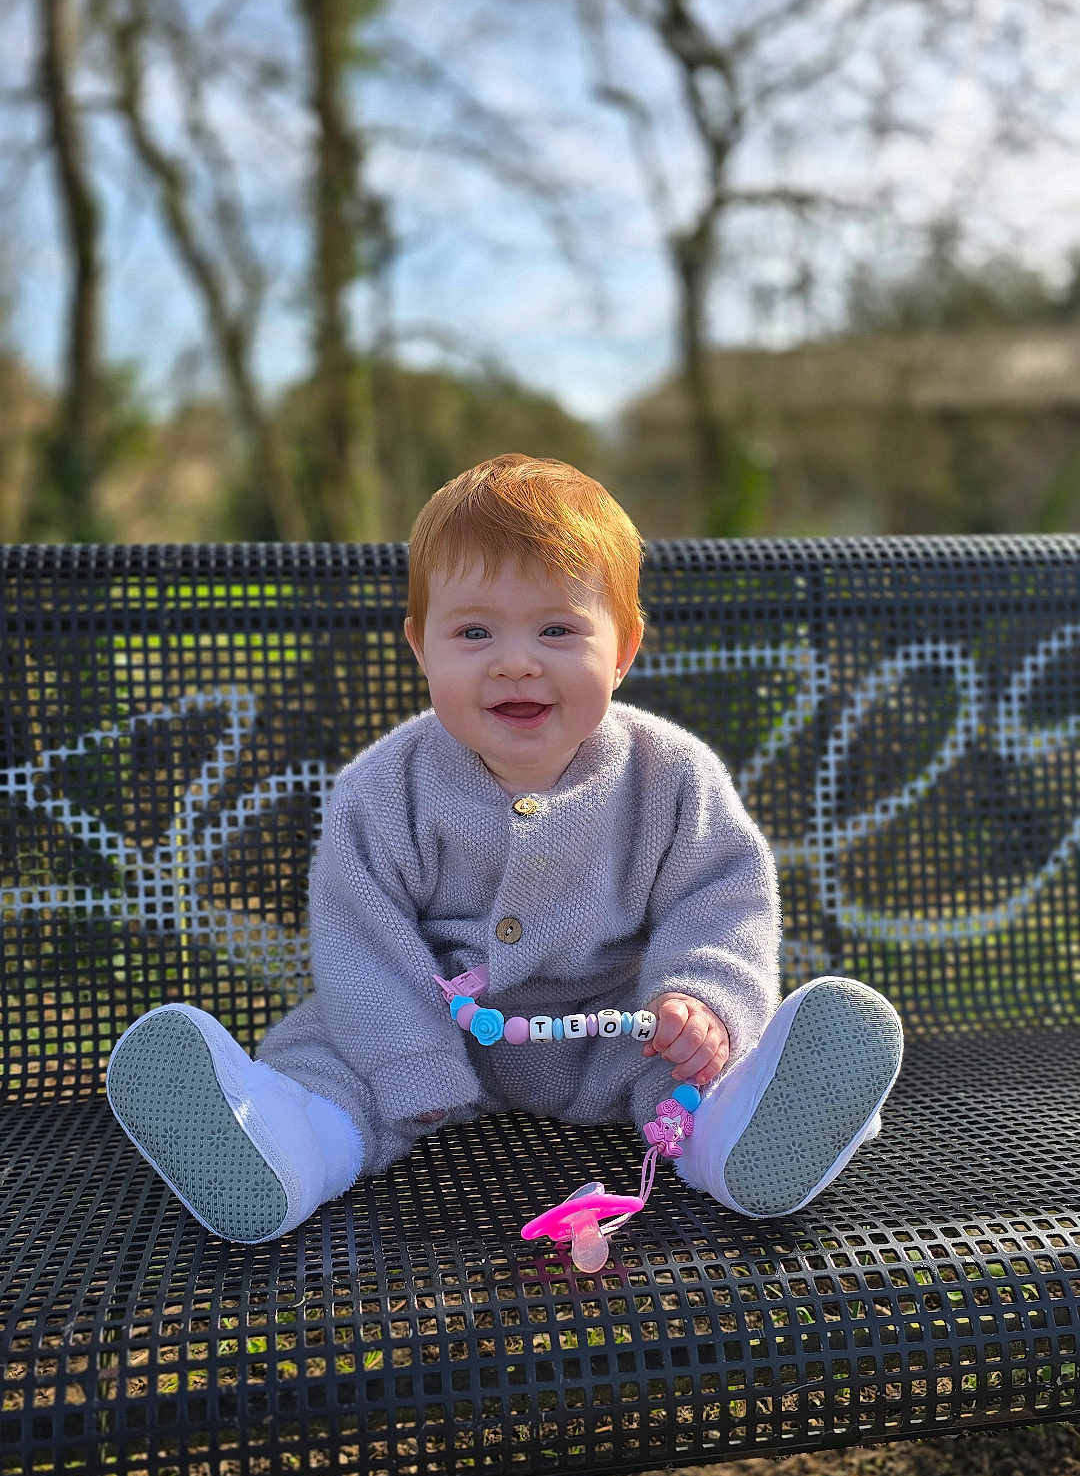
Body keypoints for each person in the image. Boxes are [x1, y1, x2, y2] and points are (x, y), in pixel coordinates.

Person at [106, 453, 902, 1246]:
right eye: (474, 632)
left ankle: (744, 1138)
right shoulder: (384, 790)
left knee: (695, 1071)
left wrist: (701, 998)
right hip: (429, 1029)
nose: (516, 661)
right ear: (422, 648)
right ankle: (284, 1148)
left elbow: (722, 894)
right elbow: (361, 941)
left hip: (620, 1031)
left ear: (623, 649)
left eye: (557, 630)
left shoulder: (670, 775)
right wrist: (413, 1065)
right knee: (331, 1061)